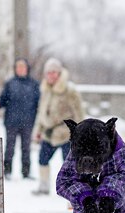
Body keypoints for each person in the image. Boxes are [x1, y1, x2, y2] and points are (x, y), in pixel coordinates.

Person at [31, 57, 84, 195]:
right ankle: (44, 186)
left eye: (54, 72)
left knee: (68, 163)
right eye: (48, 72)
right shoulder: (45, 90)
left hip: (66, 134)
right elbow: (41, 113)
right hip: (48, 133)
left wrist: (80, 134)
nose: (51, 75)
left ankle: (71, 188)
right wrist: (38, 130)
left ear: (59, 73)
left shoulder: (70, 90)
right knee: (42, 159)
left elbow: (79, 114)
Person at [0, 58, 40, 179]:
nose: (20, 69)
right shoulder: (10, 83)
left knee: (26, 148)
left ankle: (26, 172)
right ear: (15, 69)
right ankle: (7, 171)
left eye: (23, 67)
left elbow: (39, 103)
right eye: (18, 67)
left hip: (28, 122)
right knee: (10, 148)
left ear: (27, 69)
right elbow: (3, 100)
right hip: (11, 122)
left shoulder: (34, 84)